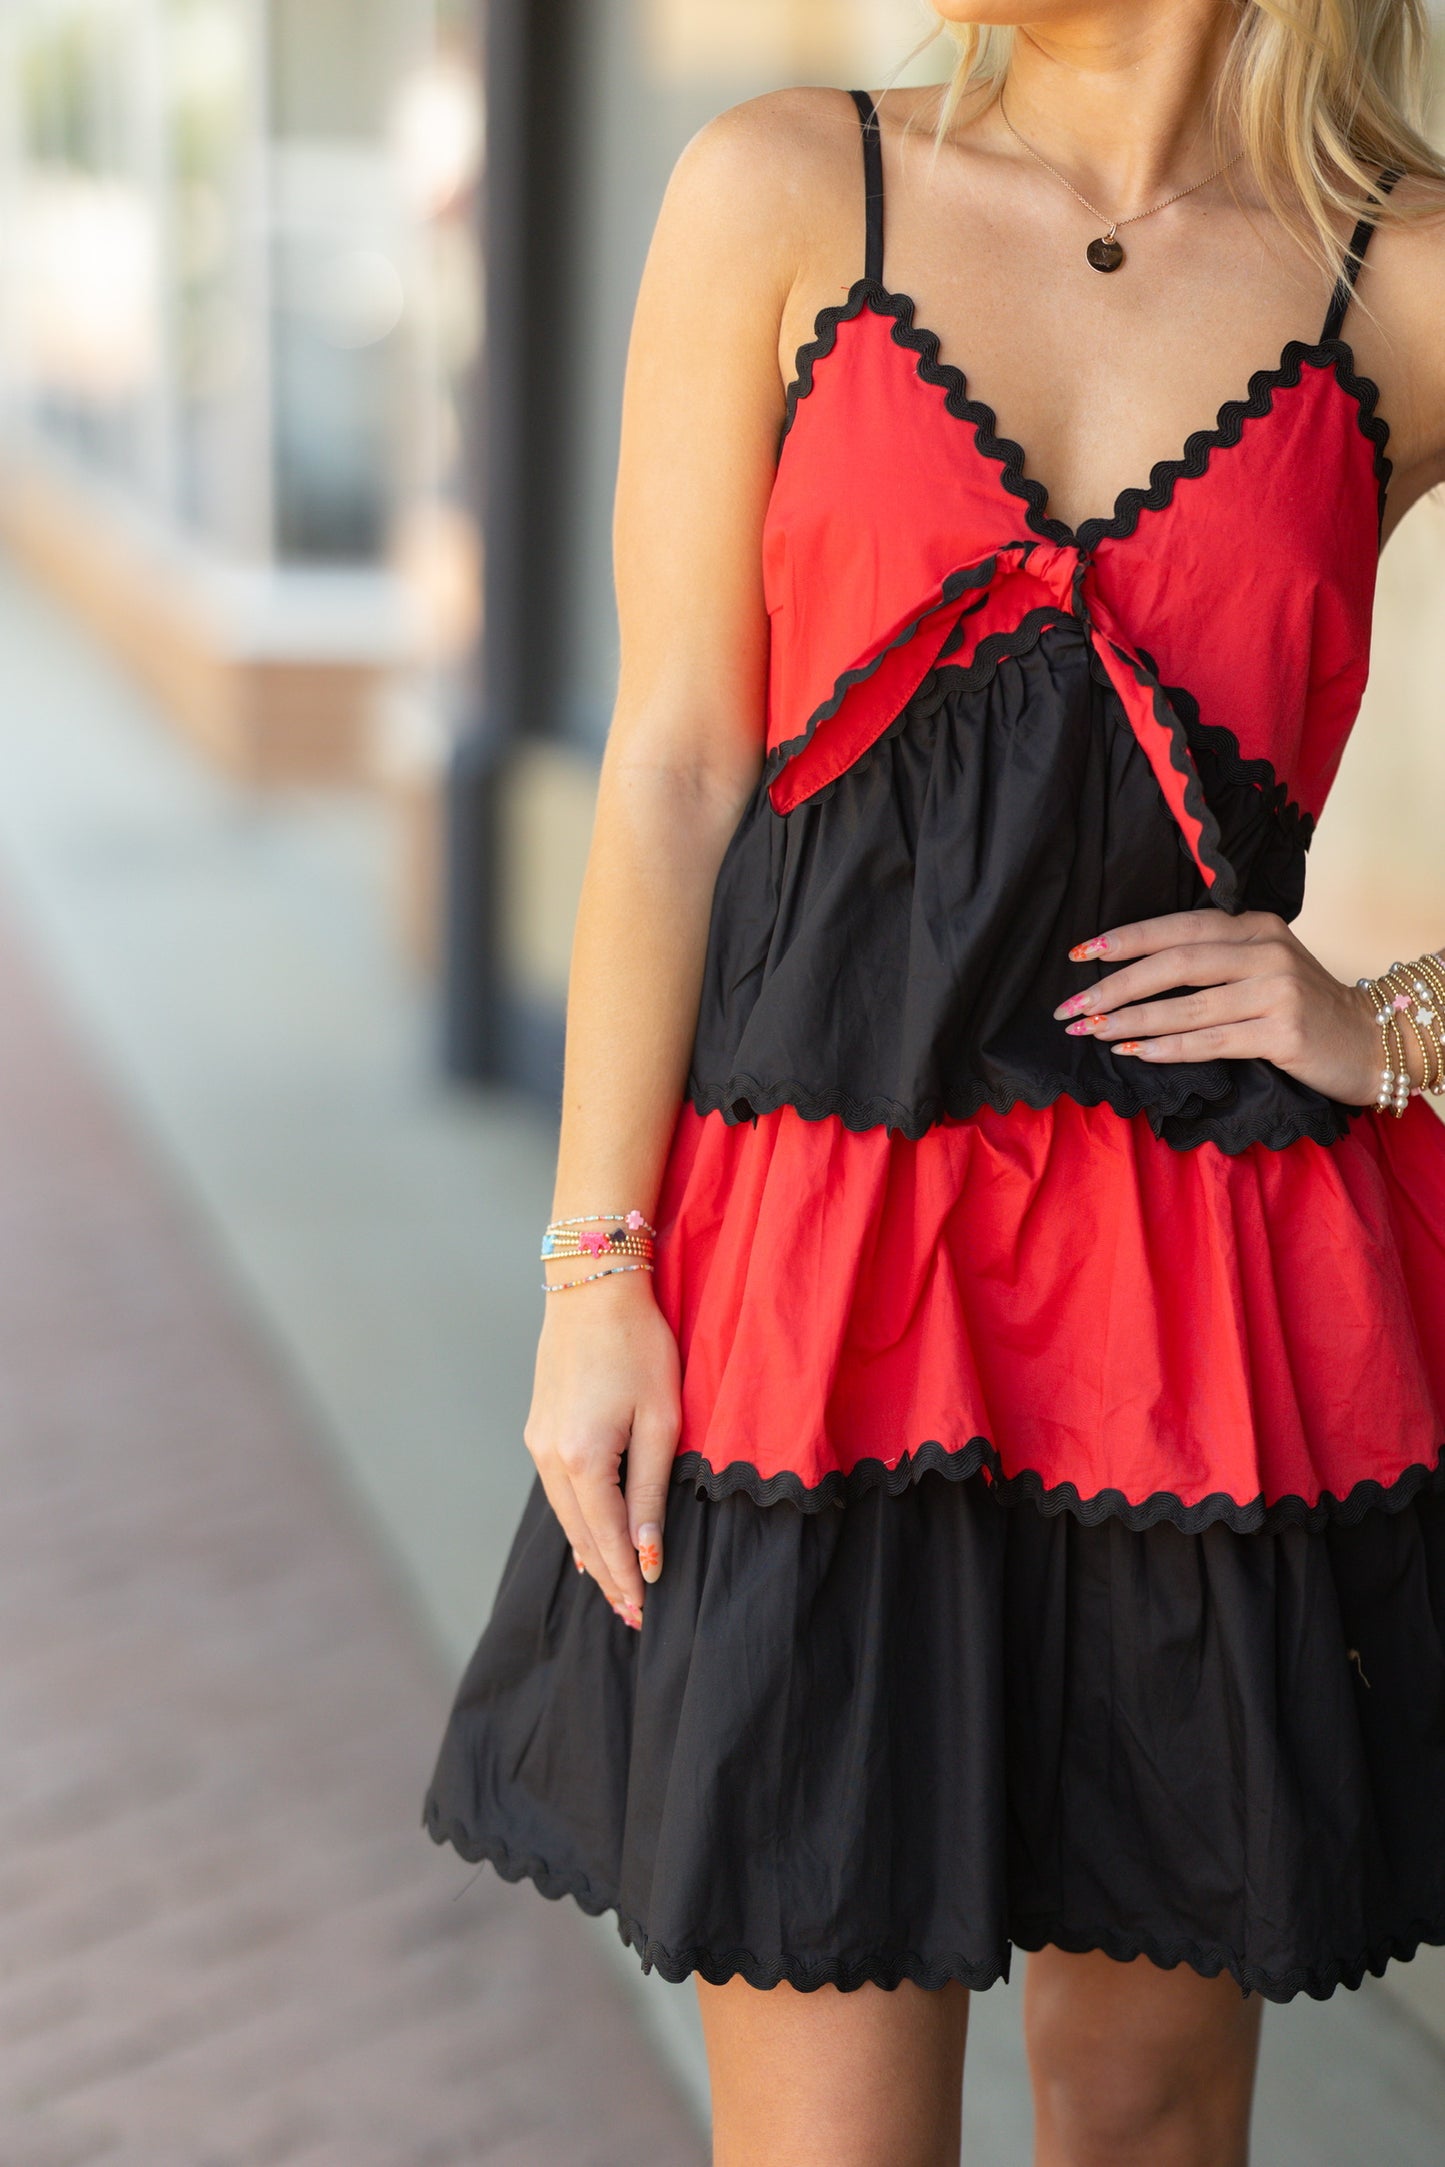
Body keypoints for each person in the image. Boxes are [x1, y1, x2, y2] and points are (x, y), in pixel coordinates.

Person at [423, 4, 1445, 2160]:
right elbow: (677, 763)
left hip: (1189, 1319)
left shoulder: (1403, 274)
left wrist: (1401, 1015)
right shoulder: (787, 186)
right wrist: (593, 1266)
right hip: (819, 1289)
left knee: (1150, 2116)